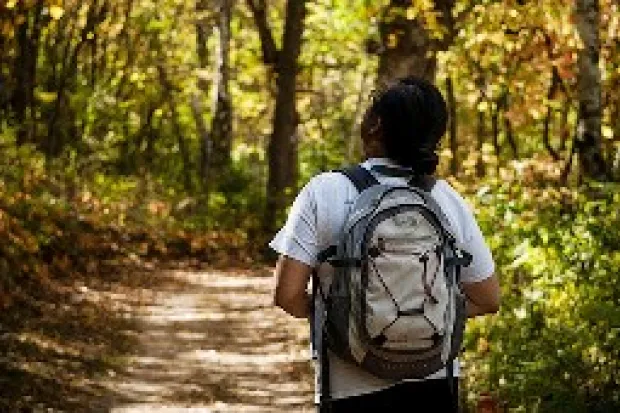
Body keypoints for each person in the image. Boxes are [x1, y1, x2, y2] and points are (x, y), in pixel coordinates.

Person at [269, 76, 500, 412]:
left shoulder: (324, 192)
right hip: (434, 384)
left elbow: (287, 295)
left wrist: (346, 318)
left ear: (375, 125)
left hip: (349, 388)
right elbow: (488, 297)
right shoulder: (445, 199)